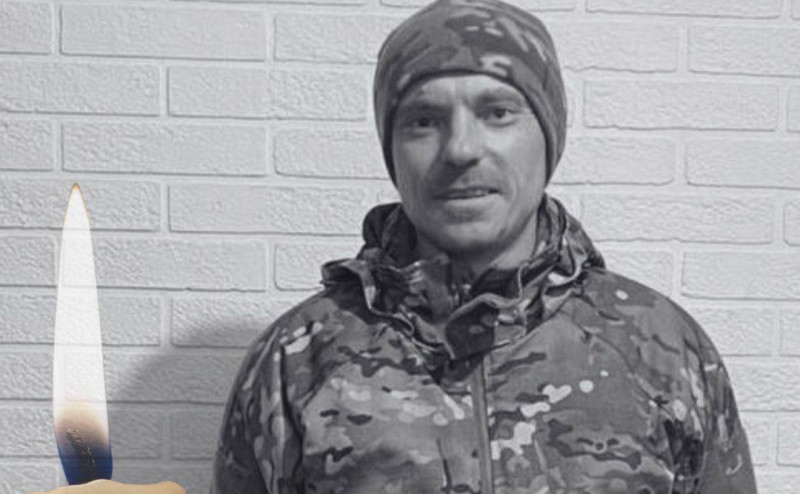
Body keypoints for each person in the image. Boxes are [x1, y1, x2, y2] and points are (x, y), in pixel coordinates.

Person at [211, 0, 758, 492]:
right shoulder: (297, 363)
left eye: (497, 112)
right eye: (423, 120)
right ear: (392, 149)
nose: (461, 148)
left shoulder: (661, 351)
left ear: (549, 134)